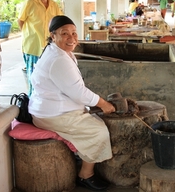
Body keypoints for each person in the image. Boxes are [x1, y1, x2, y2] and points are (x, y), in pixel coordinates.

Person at [28, 15, 116, 191]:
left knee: (92, 118)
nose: (72, 38)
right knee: (98, 131)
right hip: (52, 115)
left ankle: (81, 157)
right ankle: (85, 175)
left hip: (48, 110)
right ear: (53, 36)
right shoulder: (58, 59)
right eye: (65, 34)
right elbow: (78, 93)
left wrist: (94, 104)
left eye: (74, 33)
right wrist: (103, 104)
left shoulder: (58, 51)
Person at [18, 0, 63, 96]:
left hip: (49, 47)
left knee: (47, 79)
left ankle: (44, 104)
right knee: (33, 79)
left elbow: (60, 22)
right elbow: (20, 21)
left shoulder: (54, 5)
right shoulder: (30, 3)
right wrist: (27, 34)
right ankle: (32, 107)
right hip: (33, 46)